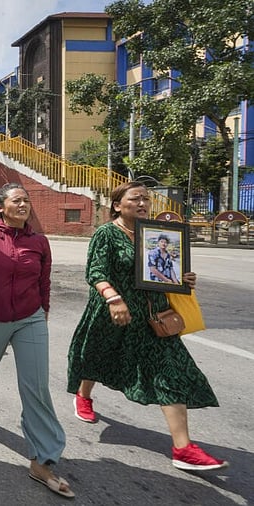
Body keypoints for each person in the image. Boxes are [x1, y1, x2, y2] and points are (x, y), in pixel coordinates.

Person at [67, 181, 226, 471]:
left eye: (146, 199)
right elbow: (95, 272)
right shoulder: (107, 233)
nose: (142, 203)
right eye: (135, 198)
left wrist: (183, 279)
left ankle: (183, 448)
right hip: (111, 311)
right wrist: (113, 298)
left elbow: (166, 271)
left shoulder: (156, 235)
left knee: (171, 371)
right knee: (96, 357)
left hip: (153, 317)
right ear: (117, 205)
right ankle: (83, 395)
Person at [0, 183, 74, 498]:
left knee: (37, 388)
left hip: (29, 318)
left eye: (27, 201)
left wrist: (43, 312)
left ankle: (42, 461)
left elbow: (44, 280)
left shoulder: (39, 241)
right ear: (1, 206)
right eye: (17, 200)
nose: (24, 204)